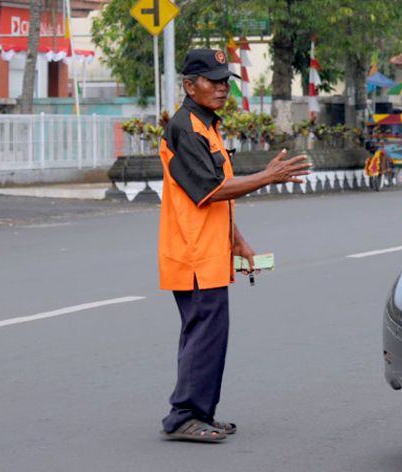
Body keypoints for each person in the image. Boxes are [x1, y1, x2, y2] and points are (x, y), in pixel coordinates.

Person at [158, 49, 311, 443]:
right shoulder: (186, 128)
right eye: (213, 80)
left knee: (210, 334)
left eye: (226, 80)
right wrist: (268, 176)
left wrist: (237, 241)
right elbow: (212, 189)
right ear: (190, 86)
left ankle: (199, 413)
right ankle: (183, 415)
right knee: (203, 334)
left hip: (210, 251)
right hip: (192, 254)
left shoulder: (207, 126)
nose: (223, 88)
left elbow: (217, 198)